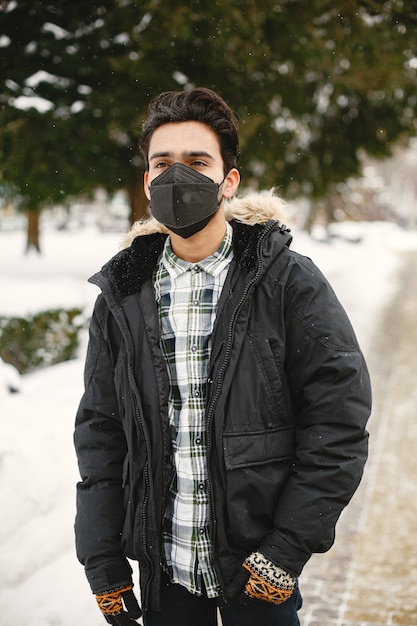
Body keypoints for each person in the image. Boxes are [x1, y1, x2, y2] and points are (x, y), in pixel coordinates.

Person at [74, 87, 371, 626]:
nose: (175, 178)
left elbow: (338, 422)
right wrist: (103, 561)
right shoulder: (121, 295)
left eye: (197, 161)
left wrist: (284, 552)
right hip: (165, 580)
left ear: (229, 180)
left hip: (258, 577)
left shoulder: (287, 281)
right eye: (161, 163)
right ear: (146, 181)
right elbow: (102, 432)